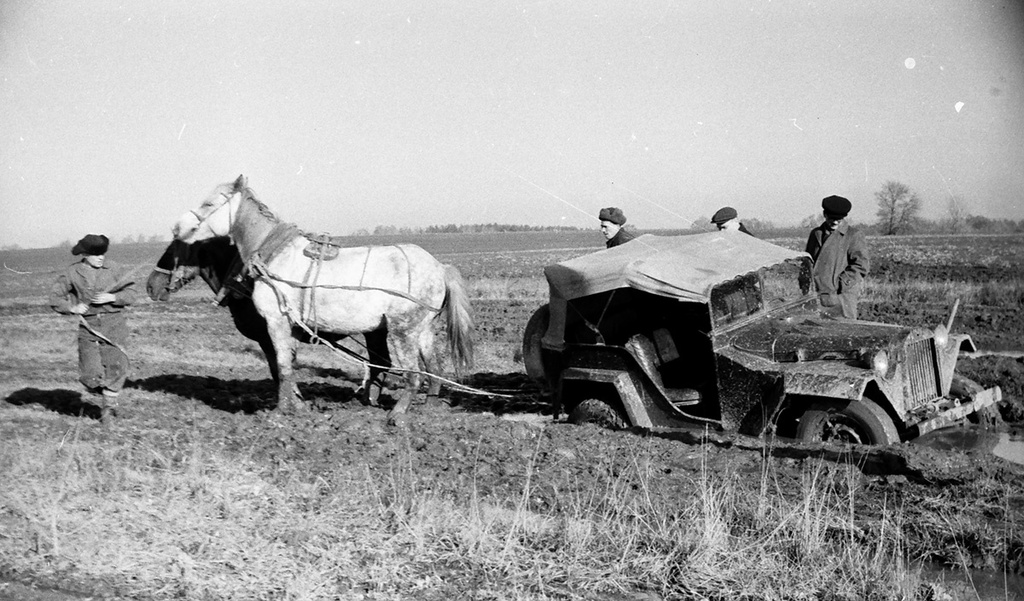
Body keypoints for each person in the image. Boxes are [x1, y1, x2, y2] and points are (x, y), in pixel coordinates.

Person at [50, 234, 137, 420]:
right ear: (85, 255)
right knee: (89, 374)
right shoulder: (72, 272)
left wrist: (113, 298)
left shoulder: (114, 268)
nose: (100, 258)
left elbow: (131, 293)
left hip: (114, 323)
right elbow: (55, 298)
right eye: (96, 254)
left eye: (103, 254)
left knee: (117, 366)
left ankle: (108, 409)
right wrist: (72, 308)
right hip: (88, 326)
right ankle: (103, 392)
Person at [805, 195, 870, 319]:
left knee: (842, 332)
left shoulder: (853, 235)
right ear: (824, 214)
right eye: (831, 218)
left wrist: (840, 284)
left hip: (840, 297)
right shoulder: (815, 234)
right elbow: (809, 262)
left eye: (838, 220)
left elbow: (861, 265)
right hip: (817, 295)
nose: (834, 222)